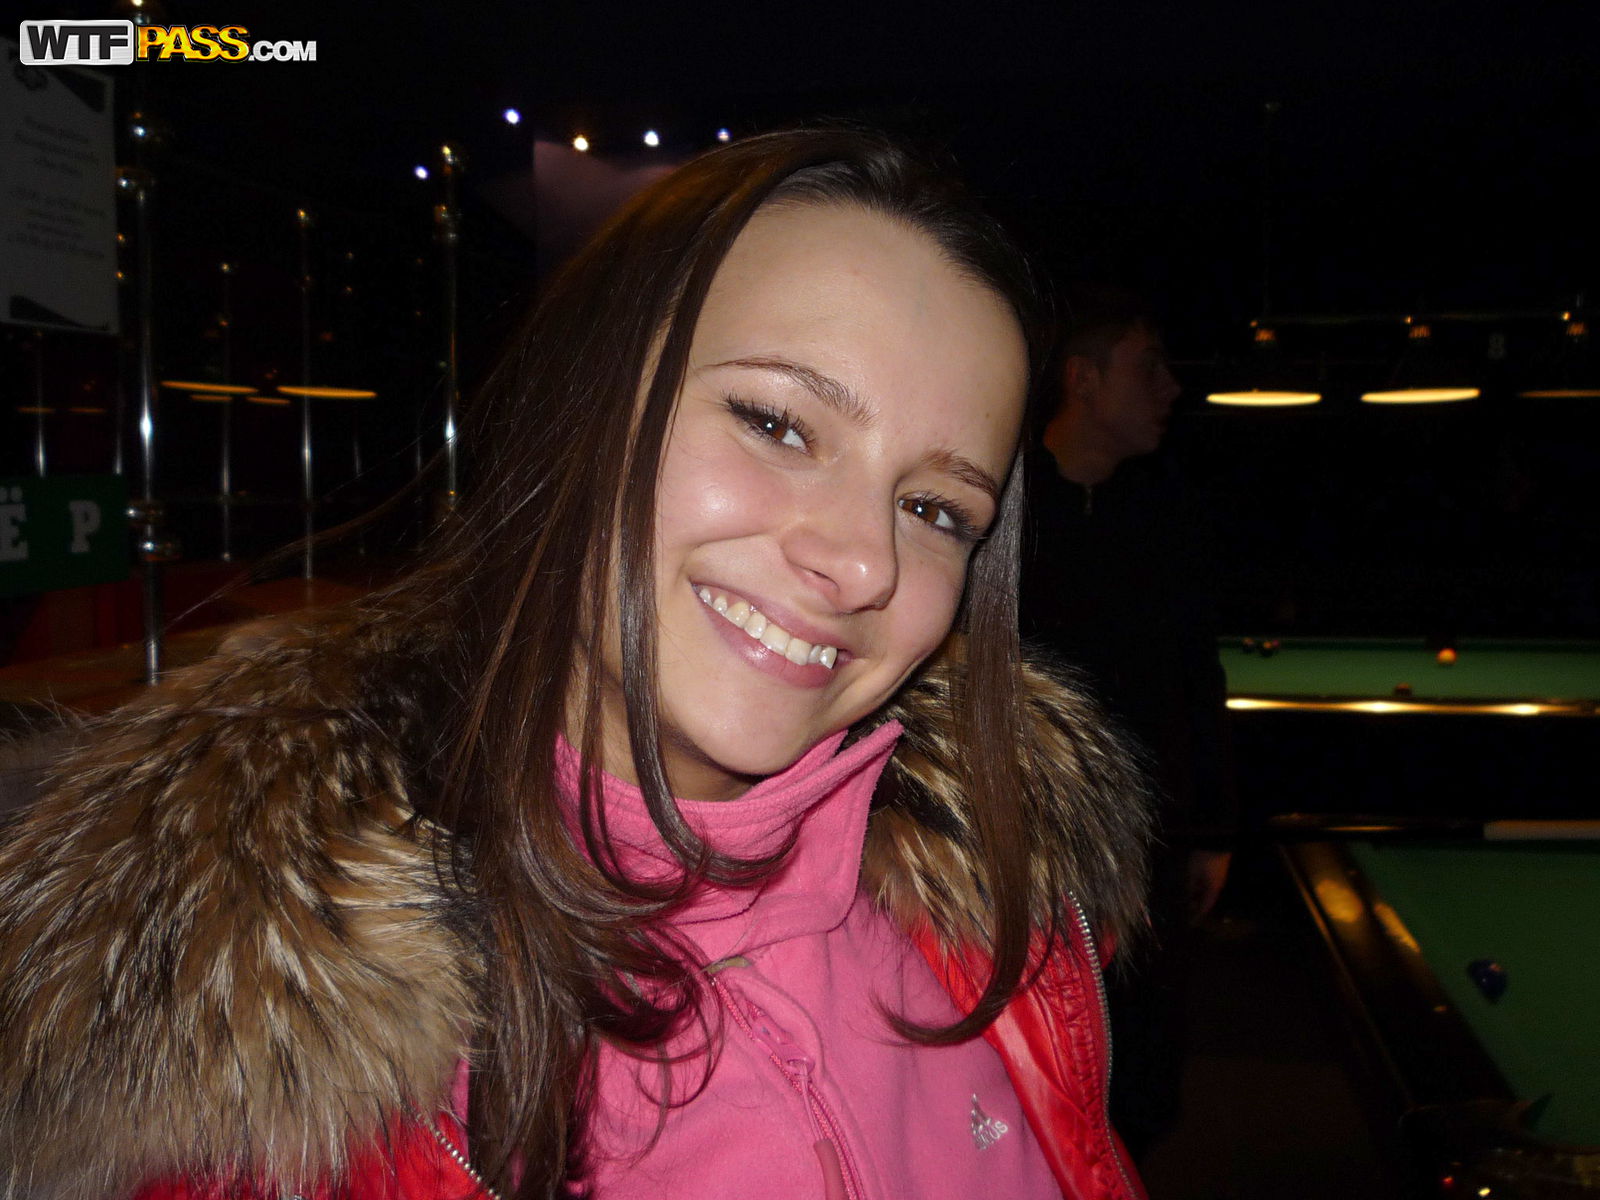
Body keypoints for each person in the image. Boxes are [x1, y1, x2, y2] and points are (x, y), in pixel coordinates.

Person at [0, 131, 1152, 1200]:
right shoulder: (256, 1070)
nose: (861, 563)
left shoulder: (1001, 898)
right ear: (581, 403)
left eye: (935, 509)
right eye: (776, 423)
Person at [1020, 285, 1238, 1161]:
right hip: (1019, 844)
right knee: (1025, 1071)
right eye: (1149, 368)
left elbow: (1199, 675)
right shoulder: (1001, 508)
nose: (1172, 387)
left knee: (1139, 1079)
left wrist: (1213, 827)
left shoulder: (1170, 511)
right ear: (1084, 379)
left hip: (1145, 845)